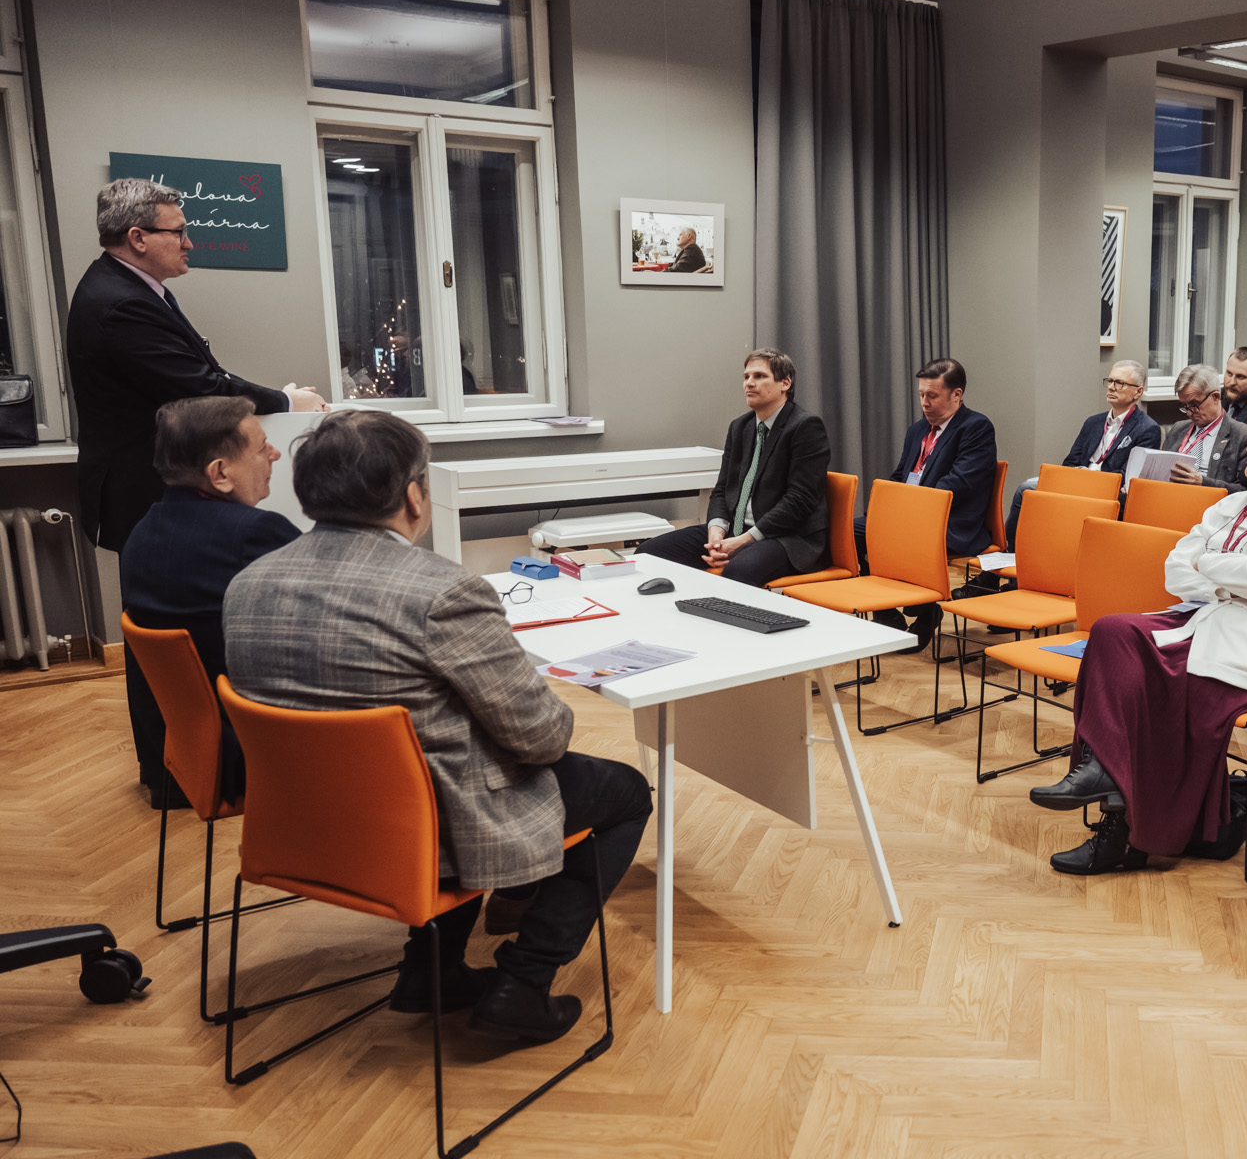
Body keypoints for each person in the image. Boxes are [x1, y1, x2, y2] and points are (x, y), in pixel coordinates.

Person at [223, 411, 651, 1043]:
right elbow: (541, 738)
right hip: (427, 828)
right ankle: (522, 984)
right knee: (625, 792)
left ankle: (431, 972)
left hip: (306, 823)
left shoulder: (248, 583)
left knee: (442, 753)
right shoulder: (443, 591)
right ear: (413, 496)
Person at [1025, 415, 1247, 874]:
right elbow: (1176, 569)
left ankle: (1123, 833)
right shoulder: (1233, 503)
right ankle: (1100, 769)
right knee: (1112, 631)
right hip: (1210, 616)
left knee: (1153, 691)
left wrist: (1210, 564)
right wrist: (1235, 574)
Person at [65, 178, 324, 553]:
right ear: (138, 238)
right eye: (179, 232)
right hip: (142, 490)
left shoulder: (129, 287)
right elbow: (200, 388)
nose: (189, 244)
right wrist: (286, 402)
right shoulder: (122, 304)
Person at [120, 396, 300, 806]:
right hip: (253, 748)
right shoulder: (254, 534)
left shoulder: (142, 532)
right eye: (261, 447)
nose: (275, 454)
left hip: (192, 747)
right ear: (219, 473)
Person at [638, 348, 828, 588]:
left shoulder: (805, 426)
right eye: (746, 377)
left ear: (785, 383)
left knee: (738, 572)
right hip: (737, 531)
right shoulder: (740, 427)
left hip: (788, 538)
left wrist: (744, 540)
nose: (749, 383)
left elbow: (799, 500)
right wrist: (716, 533)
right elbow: (722, 489)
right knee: (648, 554)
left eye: (759, 376)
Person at [860, 357, 999, 649]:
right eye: (921, 394)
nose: (924, 403)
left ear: (956, 395)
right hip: (908, 517)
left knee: (892, 536)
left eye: (932, 395)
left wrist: (906, 508)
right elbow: (901, 475)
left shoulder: (976, 427)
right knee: (852, 532)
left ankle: (926, 611)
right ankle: (887, 615)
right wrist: (885, 503)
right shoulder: (917, 430)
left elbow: (958, 484)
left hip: (951, 523)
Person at [1003, 359, 1159, 541]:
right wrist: (1080, 475)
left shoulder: (1147, 428)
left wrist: (1091, 478)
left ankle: (1013, 551)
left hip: (1106, 491)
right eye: (1110, 381)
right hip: (1076, 481)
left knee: (1029, 488)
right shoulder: (1093, 422)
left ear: (1138, 391)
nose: (1111, 387)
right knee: (1027, 489)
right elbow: (1069, 462)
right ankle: (1010, 550)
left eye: (1120, 383)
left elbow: (1129, 477)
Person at [1159, 363, 1247, 492]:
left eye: (1194, 404)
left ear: (1216, 397)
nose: (1189, 412)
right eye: (1185, 406)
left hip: (1211, 502)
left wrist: (1203, 483)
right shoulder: (1178, 429)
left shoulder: (1243, 436)